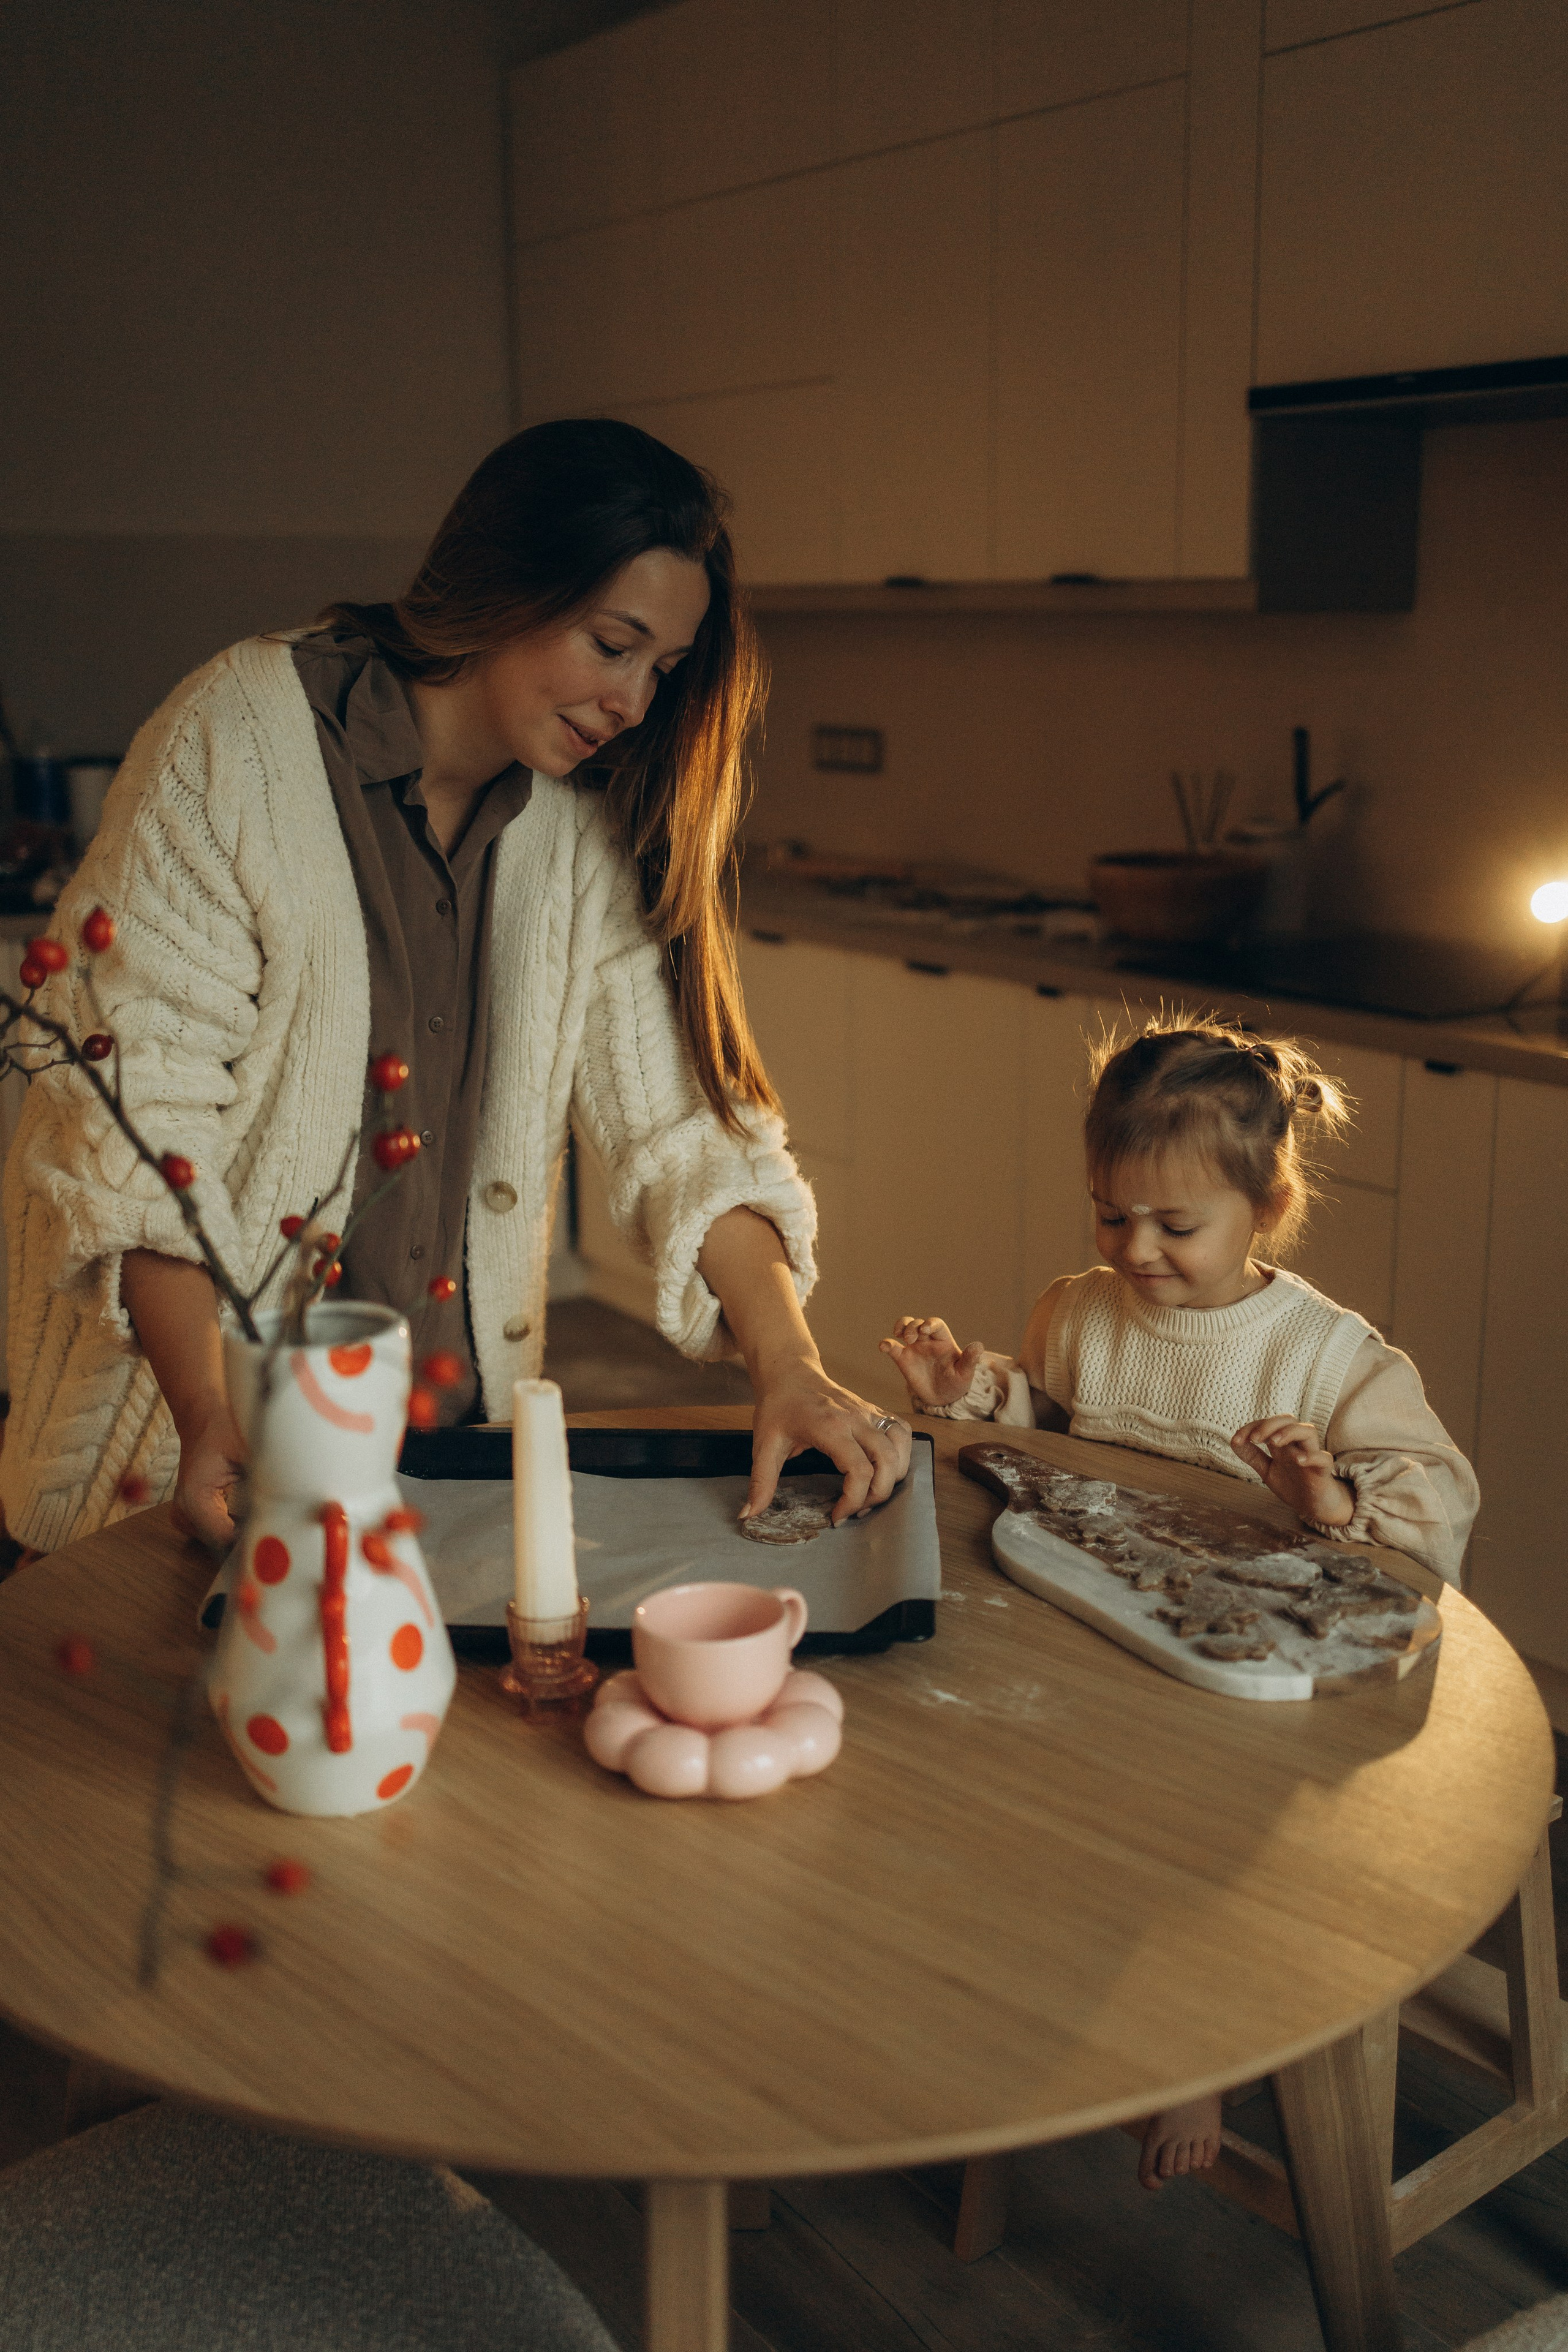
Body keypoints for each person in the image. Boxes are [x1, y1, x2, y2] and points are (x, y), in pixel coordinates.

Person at [1, 419, 909, 1555]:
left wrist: (795, 1367)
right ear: (505, 584)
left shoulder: (583, 816)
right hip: (181, 1462)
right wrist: (207, 1413)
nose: (633, 702)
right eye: (611, 643)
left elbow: (684, 1134)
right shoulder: (237, 742)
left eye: (663, 669)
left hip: (446, 1467)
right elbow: (133, 1130)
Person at [876, 1016, 1479, 2192]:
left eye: (1176, 1223)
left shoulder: (1326, 1355)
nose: (1136, 1249)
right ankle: (1011, 1977)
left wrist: (1329, 1493)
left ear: (1270, 1204)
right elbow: (1052, 1430)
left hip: (1247, 1670)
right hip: (1094, 1631)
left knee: (1190, 1826)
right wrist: (976, 1391)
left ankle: (1191, 2041)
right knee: (978, 1762)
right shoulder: (1083, 1308)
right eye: (1111, 1212)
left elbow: (1439, 1497)